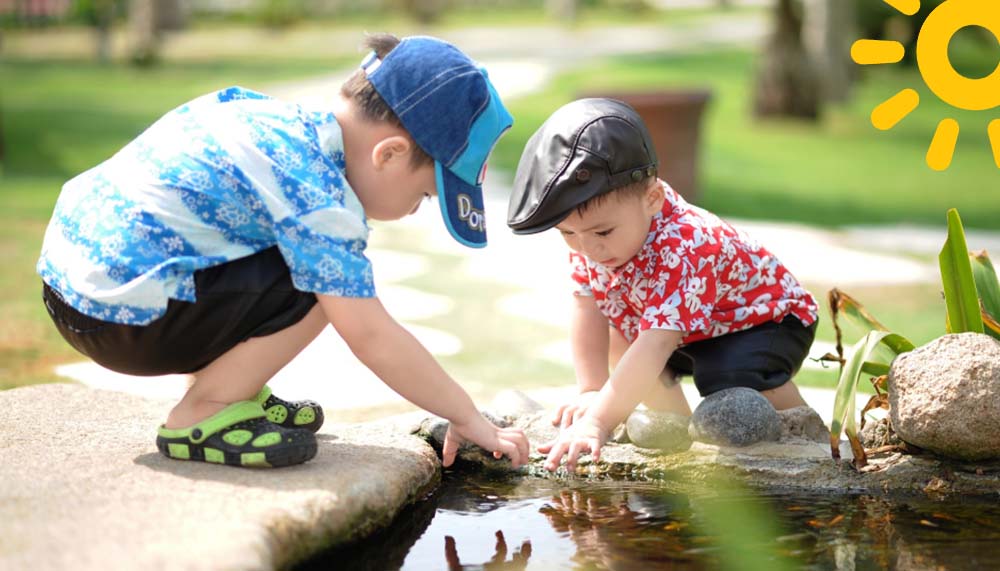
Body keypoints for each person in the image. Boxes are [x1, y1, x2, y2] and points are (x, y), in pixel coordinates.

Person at [37, 34, 529, 469]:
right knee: (328, 286)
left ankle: (235, 390)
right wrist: (465, 415)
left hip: (74, 286)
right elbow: (372, 336)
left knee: (303, 260)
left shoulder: (274, 121)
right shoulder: (318, 195)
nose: (414, 211)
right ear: (390, 154)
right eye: (424, 196)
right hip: (121, 319)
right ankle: (204, 412)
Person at [506, 98, 818, 471]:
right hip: (690, 329)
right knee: (622, 336)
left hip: (765, 322)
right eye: (568, 234)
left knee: (726, 377)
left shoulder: (687, 244)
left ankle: (802, 431)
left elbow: (657, 343)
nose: (588, 248)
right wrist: (592, 389)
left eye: (602, 231)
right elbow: (586, 307)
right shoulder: (593, 240)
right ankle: (676, 433)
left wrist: (597, 422)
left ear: (652, 198)